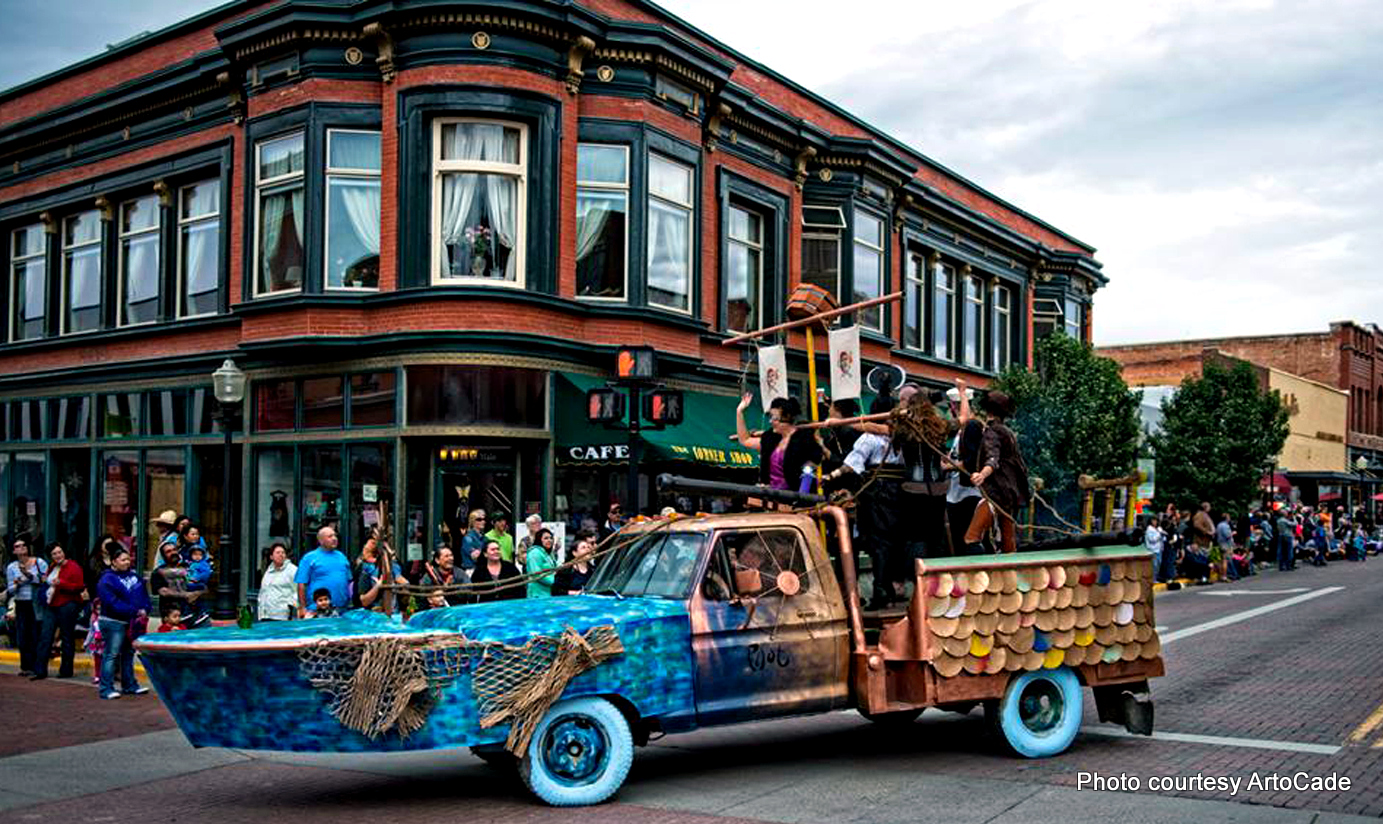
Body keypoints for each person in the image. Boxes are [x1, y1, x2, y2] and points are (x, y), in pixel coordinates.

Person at [824, 393, 905, 610]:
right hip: (899, 491)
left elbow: (852, 464)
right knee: (893, 541)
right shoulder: (903, 437)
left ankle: (880, 590)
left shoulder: (869, 438)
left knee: (878, 542)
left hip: (877, 493)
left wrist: (831, 476)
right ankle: (890, 587)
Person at [963, 390, 1030, 554]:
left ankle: (980, 576)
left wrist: (982, 475)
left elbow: (993, 459)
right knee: (1008, 542)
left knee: (971, 538)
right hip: (1009, 494)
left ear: (988, 410)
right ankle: (1010, 578)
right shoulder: (1007, 431)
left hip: (996, 495)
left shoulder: (992, 432)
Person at [892, 389, 953, 568]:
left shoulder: (903, 428)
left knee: (916, 537)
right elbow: (964, 419)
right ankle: (937, 584)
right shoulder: (941, 426)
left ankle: (920, 583)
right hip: (938, 489)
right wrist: (963, 393)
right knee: (936, 535)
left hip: (912, 488)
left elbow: (878, 428)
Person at [736, 393, 824, 492]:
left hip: (794, 496)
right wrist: (739, 412)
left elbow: (811, 467)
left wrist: (803, 494)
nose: (770, 421)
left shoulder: (804, 440)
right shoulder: (770, 439)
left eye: (774, 418)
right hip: (770, 495)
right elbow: (745, 440)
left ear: (787, 417)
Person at [96, 547, 151, 700]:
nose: (127, 562)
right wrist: (134, 611)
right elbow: (112, 603)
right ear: (113, 562)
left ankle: (130, 685)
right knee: (111, 654)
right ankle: (105, 689)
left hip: (132, 621)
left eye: (128, 559)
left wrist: (146, 608)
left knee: (128, 653)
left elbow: (144, 596)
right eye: (123, 560)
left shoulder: (135, 577)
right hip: (112, 621)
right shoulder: (106, 580)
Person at [944, 385, 985, 555]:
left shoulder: (972, 427)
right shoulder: (961, 431)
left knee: (967, 540)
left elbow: (971, 460)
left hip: (968, 494)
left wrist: (946, 466)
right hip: (956, 493)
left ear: (954, 406)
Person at [35, 543, 86, 680]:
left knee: (67, 638)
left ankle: (66, 670)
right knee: (45, 636)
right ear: (50, 556)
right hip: (51, 604)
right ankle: (40, 671)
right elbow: (50, 583)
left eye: (59, 552)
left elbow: (80, 587)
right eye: (54, 554)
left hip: (68, 605)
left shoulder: (73, 566)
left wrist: (61, 583)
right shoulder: (52, 567)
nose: (58, 555)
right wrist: (46, 581)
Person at [6, 536, 49, 677]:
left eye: (23, 544)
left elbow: (45, 580)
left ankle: (38, 666)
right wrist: (18, 583)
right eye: (18, 546)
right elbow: (10, 589)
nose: (22, 547)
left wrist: (28, 576)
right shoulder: (11, 567)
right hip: (21, 601)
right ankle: (26, 666)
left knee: (36, 633)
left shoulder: (39, 562)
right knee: (23, 635)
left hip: (36, 601)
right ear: (14, 551)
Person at [149, 542, 207, 630]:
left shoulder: (189, 567)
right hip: (173, 617)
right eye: (168, 551)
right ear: (163, 556)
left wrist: (196, 594)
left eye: (174, 550)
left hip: (198, 614)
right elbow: (163, 592)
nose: (173, 553)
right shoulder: (158, 572)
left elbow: (205, 587)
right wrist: (186, 595)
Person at [296, 526, 352, 616]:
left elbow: (349, 581)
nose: (334, 539)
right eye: (330, 536)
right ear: (321, 541)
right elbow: (301, 584)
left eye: (335, 536)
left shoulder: (342, 556)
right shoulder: (309, 558)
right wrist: (302, 607)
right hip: (317, 610)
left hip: (341, 609)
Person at [356, 530, 408, 613]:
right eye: (373, 543)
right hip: (373, 615)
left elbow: (404, 584)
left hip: (394, 612)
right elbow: (363, 601)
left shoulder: (393, 564)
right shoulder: (365, 568)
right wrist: (378, 586)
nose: (376, 545)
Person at [258, 542, 298, 620]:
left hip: (282, 616)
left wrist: (290, 605)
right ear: (271, 557)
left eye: (283, 553)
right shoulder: (269, 571)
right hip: (266, 614)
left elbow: (298, 589)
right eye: (278, 553)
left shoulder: (292, 570)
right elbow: (263, 591)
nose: (281, 555)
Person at [184, 544, 213, 625]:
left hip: (198, 584)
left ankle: (202, 612)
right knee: (191, 599)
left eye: (200, 554)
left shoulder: (203, 564)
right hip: (191, 584)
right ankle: (189, 612)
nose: (197, 556)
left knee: (196, 599)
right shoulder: (191, 564)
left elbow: (206, 573)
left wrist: (196, 579)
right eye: (195, 554)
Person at [525, 528, 558, 598]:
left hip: (548, 592)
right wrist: (555, 582)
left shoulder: (548, 553)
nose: (549, 540)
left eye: (551, 538)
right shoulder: (534, 553)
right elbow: (536, 574)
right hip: (537, 594)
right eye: (546, 538)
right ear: (539, 539)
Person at [1144, 517, 1165, 581]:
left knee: (1158, 565)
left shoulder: (1159, 528)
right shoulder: (1149, 529)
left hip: (1159, 549)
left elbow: (1163, 538)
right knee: (1154, 566)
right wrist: (1159, 535)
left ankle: (1155, 578)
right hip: (1153, 550)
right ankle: (1152, 579)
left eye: (1156, 520)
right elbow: (1152, 539)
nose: (1154, 522)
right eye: (1153, 520)